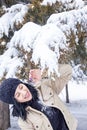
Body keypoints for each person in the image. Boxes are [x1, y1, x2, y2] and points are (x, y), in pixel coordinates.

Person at [0, 64, 77, 130]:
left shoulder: (44, 87)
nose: (24, 92)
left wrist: (43, 73)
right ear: (15, 101)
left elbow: (67, 71)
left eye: (21, 87)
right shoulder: (24, 121)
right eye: (18, 95)